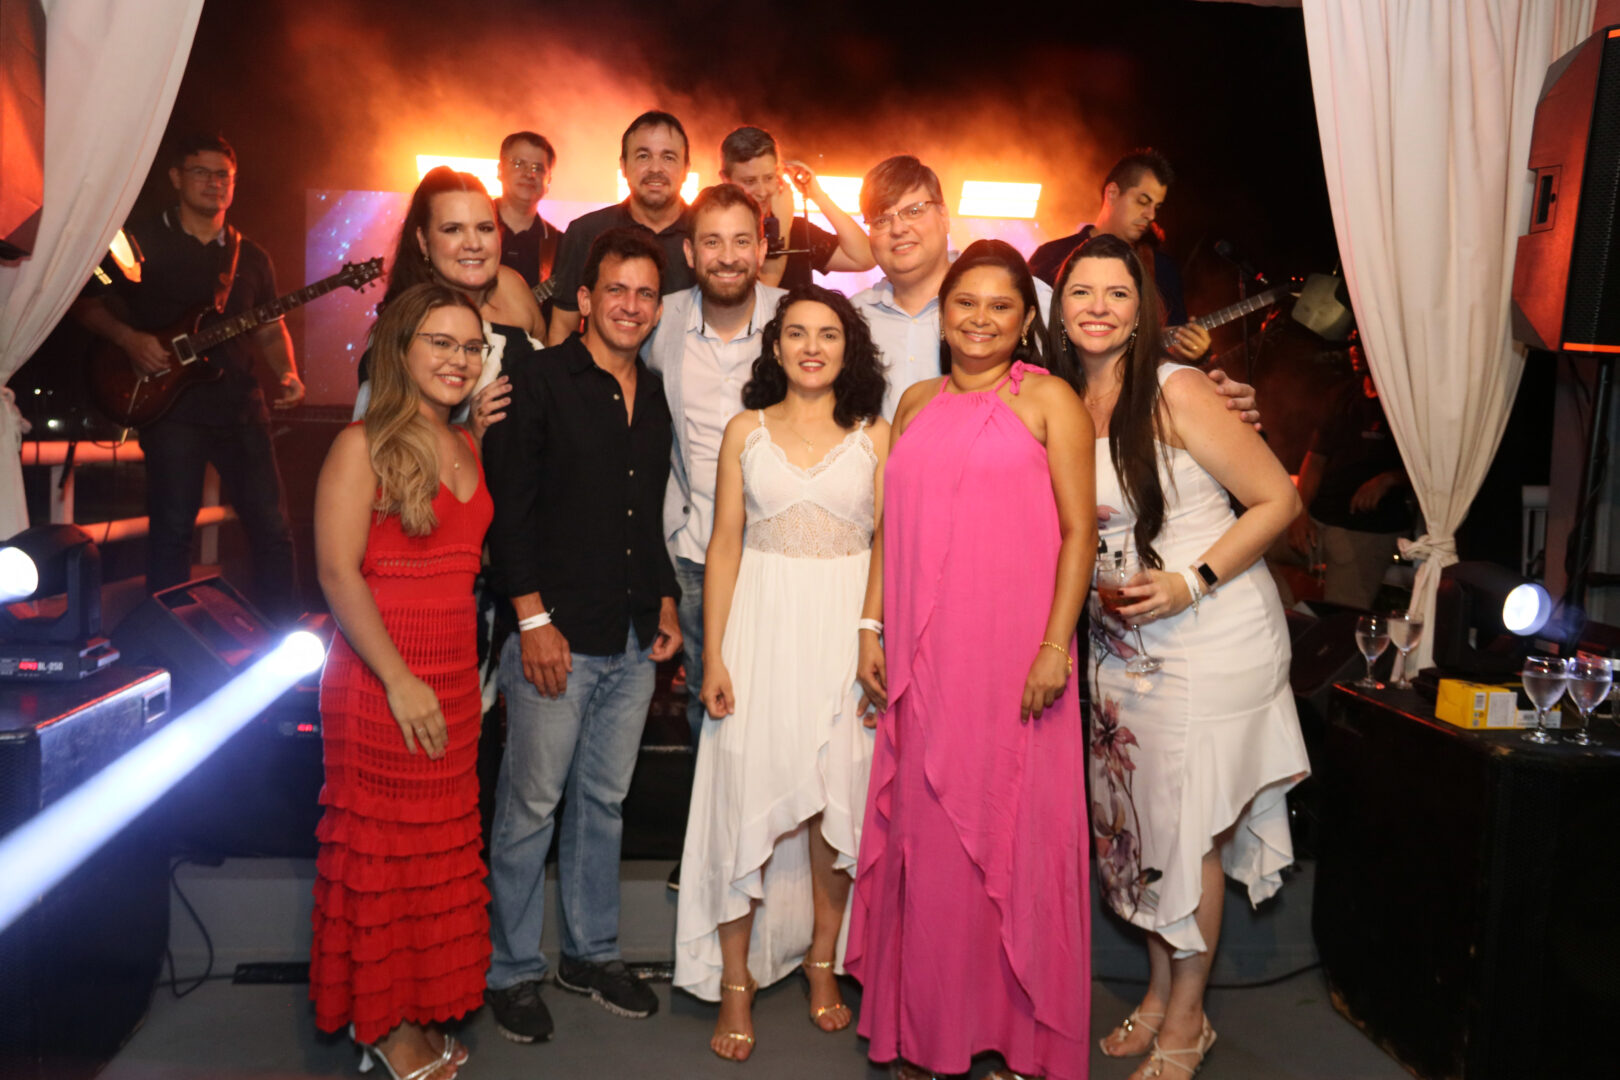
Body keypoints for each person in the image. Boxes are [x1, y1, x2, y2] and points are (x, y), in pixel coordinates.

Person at [1047, 233, 1310, 1080]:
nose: (1097, 307)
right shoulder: (1061, 399)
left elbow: (1276, 500)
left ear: (1142, 311)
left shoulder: (1178, 388)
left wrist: (1191, 581)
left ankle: (1189, 1019)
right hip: (1122, 648)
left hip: (1210, 633)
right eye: (1081, 292)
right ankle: (1161, 995)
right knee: (1145, 825)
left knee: (1186, 827)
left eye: (1116, 293)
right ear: (1059, 307)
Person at [849, 240, 1096, 1080]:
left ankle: (1020, 1039)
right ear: (943, 313)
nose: (980, 319)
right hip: (926, 663)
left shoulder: (1051, 399)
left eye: (1000, 306)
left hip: (1016, 659)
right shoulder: (915, 401)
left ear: (1026, 321)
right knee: (930, 844)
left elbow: (1079, 533)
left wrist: (1054, 646)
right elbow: (890, 527)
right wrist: (872, 625)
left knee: (1013, 835)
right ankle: (929, 1032)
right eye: (965, 302)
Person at [674, 285, 889, 1061]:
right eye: (796, 333)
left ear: (848, 348)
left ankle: (821, 961)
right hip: (760, 632)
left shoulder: (876, 435)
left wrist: (872, 634)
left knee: (836, 807)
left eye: (828, 334)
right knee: (744, 797)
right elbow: (724, 545)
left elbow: (888, 545)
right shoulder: (746, 430)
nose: (811, 347)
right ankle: (735, 979)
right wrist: (716, 653)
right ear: (775, 346)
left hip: (843, 637)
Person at [481, 227, 683, 1043]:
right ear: (588, 299)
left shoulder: (656, 393)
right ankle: (512, 969)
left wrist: (664, 600)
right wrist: (532, 620)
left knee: (603, 802)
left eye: (646, 293)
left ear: (657, 308)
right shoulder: (536, 380)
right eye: (617, 290)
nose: (632, 305)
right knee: (531, 806)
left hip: (632, 636)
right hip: (553, 634)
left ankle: (591, 955)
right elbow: (509, 512)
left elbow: (647, 513)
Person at [308, 282, 493, 1080]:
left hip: (453, 675)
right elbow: (336, 573)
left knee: (432, 857)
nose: (459, 360)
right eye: (441, 343)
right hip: (382, 677)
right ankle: (382, 1026)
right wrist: (398, 679)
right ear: (402, 349)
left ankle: (412, 1006)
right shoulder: (361, 445)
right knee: (384, 859)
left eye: (472, 347)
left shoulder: (466, 442)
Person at [71, 133, 302, 623]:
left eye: (224, 175)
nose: (214, 183)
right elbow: (85, 304)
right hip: (171, 411)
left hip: (241, 407)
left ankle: (284, 634)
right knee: (172, 530)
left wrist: (287, 372)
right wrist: (131, 340)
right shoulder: (138, 244)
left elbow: (269, 326)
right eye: (202, 172)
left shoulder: (251, 256)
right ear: (176, 178)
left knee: (272, 528)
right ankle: (166, 637)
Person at [851, 155, 1251, 421]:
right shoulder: (850, 320)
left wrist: (1206, 389)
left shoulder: (1027, 297)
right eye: (881, 219)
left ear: (943, 215)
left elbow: (1114, 368)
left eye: (914, 210)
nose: (898, 227)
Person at [643, 183, 785, 757]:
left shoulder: (795, 319)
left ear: (762, 248)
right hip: (693, 551)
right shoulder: (660, 320)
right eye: (712, 242)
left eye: (741, 241)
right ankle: (710, 817)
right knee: (708, 704)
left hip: (778, 552)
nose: (727, 257)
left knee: (780, 700)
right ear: (689, 252)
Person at [1029, 148, 1211, 363]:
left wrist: (1195, 351)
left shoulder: (1163, 267)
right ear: (1112, 193)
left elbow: (1174, 339)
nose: (1151, 215)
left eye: (1157, 206)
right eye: (1143, 201)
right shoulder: (1051, 255)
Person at [546, 111, 697, 346]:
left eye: (668, 157)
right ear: (623, 166)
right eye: (643, 156)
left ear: (686, 168)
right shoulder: (585, 232)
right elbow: (563, 328)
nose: (655, 168)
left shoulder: (706, 236)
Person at [1285, 333, 1411, 608]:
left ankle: (1322, 624)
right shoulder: (1342, 394)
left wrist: (1389, 478)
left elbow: (1430, 471)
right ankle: (1291, 617)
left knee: (1341, 613)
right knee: (1254, 550)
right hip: (1319, 519)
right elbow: (1315, 459)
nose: (1354, 350)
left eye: (1362, 343)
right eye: (1353, 344)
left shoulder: (1406, 402)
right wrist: (1300, 512)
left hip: (1366, 529)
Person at [717, 125, 874, 289]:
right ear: (725, 180)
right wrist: (782, 224)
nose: (762, 192)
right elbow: (762, 292)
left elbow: (864, 258)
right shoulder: (716, 234)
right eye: (750, 181)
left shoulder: (797, 230)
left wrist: (817, 196)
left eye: (769, 178)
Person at [493, 131, 561, 300]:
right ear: (500, 170)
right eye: (518, 164)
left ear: (548, 181)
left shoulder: (562, 246)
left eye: (538, 168)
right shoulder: (470, 229)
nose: (529, 174)